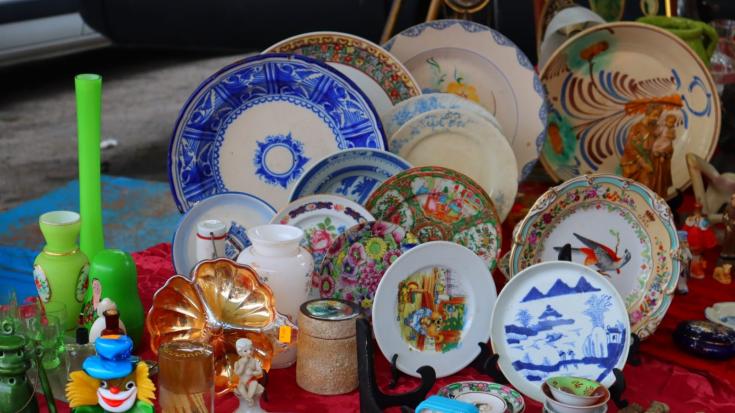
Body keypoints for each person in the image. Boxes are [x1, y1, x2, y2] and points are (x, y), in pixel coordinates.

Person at [621, 104, 663, 189]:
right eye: (654, 115)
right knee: (643, 186)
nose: (656, 118)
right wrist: (641, 161)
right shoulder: (636, 128)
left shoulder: (653, 127)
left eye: (658, 116)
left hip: (651, 161)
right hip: (639, 163)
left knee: (650, 186)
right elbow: (629, 146)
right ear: (648, 113)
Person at [234, 338, 264, 412]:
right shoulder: (238, 363)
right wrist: (243, 365)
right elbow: (237, 373)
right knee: (240, 386)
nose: (249, 352)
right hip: (242, 382)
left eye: (251, 349)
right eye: (246, 350)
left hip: (251, 380)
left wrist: (252, 373)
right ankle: (248, 399)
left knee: (254, 383)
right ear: (240, 352)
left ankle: (249, 398)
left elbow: (260, 372)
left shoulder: (255, 361)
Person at [650, 114, 677, 198]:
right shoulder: (662, 128)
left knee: (666, 147)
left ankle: (662, 154)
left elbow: (673, 137)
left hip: (667, 143)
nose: (671, 124)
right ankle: (659, 153)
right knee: (656, 147)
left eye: (673, 123)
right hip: (660, 142)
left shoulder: (672, 130)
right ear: (666, 121)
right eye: (669, 122)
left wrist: (671, 135)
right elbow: (656, 133)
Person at [721, 193, 735, 262]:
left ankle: (732, 253)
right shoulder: (728, 208)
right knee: (727, 240)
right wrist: (727, 225)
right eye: (733, 198)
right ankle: (725, 253)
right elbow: (724, 217)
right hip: (729, 226)